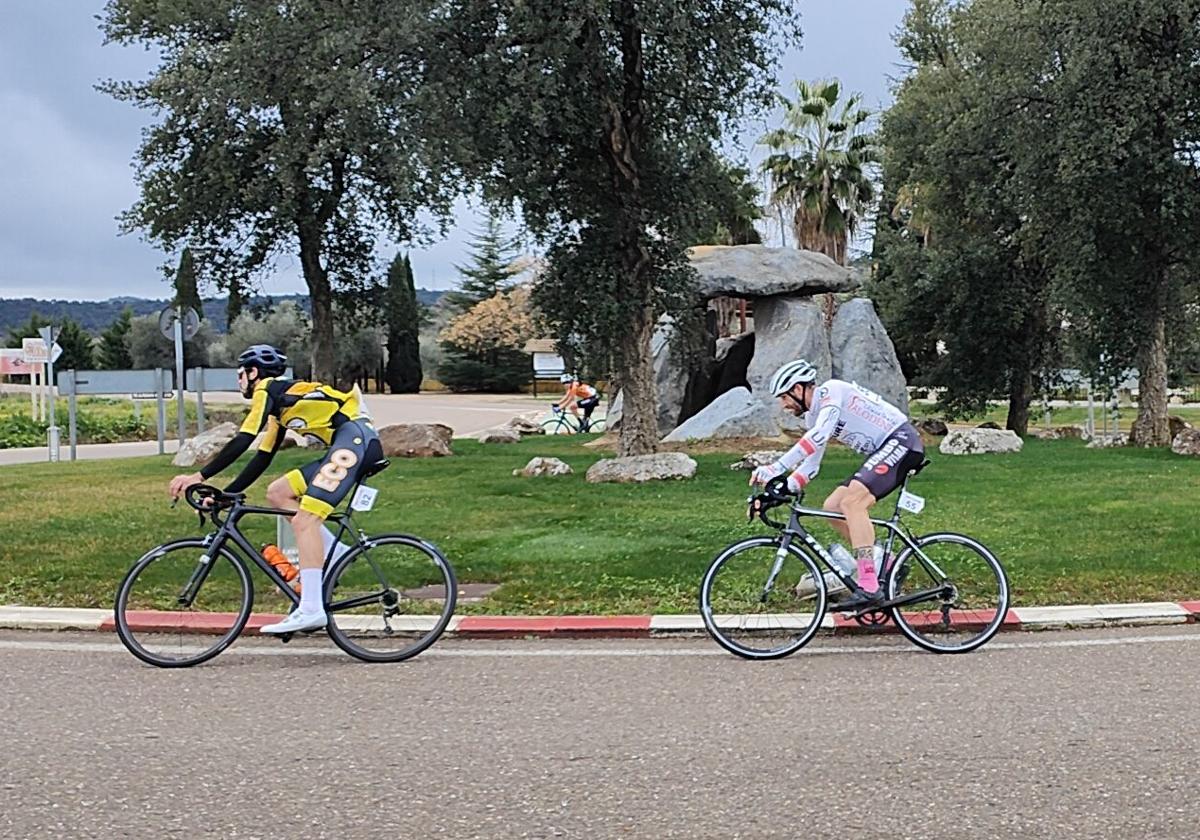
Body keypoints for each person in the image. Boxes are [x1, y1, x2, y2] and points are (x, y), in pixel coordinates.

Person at [168, 344, 382, 634]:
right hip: (348, 444)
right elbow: (262, 456)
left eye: (241, 374)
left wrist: (200, 475)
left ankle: (311, 609)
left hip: (355, 440)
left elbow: (244, 438)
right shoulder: (279, 405)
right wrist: (225, 495)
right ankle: (337, 552)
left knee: (306, 520)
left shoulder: (267, 390)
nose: (239, 381)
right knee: (278, 492)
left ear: (254, 372)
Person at [749, 359, 925, 610]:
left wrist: (775, 468)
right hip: (886, 448)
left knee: (853, 504)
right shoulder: (814, 417)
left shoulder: (832, 392)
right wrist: (780, 489)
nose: (783, 405)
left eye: (784, 397)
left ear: (798, 389)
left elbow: (819, 436)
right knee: (832, 506)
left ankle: (869, 585)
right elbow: (810, 467)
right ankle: (883, 563)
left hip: (902, 441)